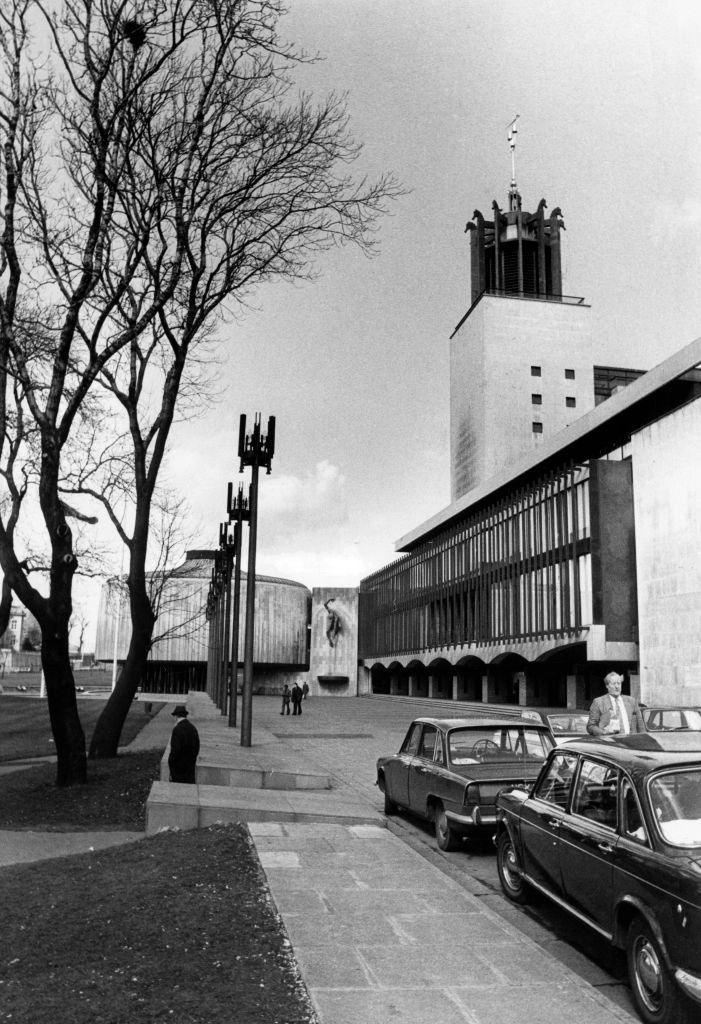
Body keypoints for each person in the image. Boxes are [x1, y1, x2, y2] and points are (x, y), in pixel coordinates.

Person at [587, 672, 643, 736]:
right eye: (613, 684)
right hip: (610, 743)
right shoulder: (598, 702)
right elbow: (590, 726)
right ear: (607, 686)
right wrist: (603, 732)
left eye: (619, 683)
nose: (617, 686)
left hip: (630, 742)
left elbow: (640, 725)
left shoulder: (632, 701)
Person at [168, 704, 200, 783]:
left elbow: (175, 751)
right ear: (185, 716)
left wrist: (170, 762)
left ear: (176, 716)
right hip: (190, 767)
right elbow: (197, 747)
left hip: (178, 768)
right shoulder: (193, 728)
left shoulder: (177, 730)